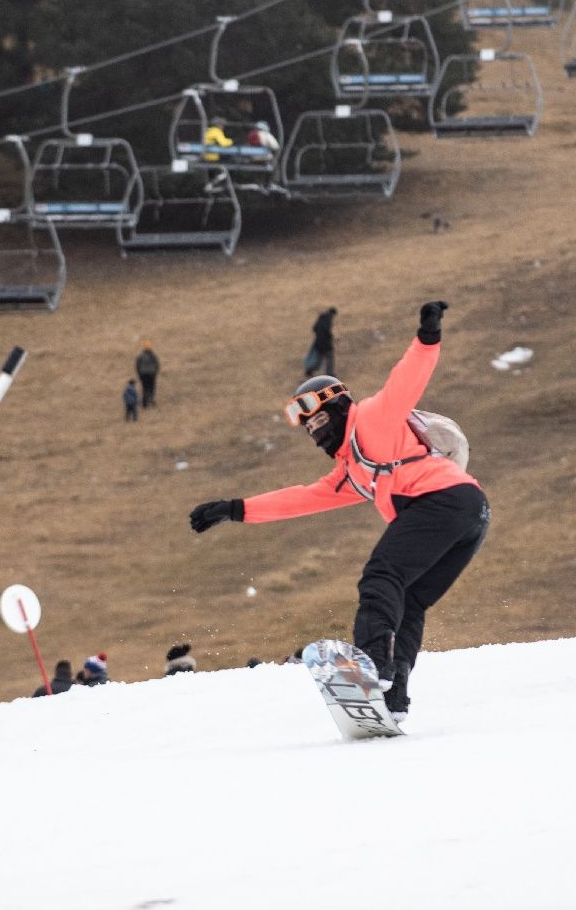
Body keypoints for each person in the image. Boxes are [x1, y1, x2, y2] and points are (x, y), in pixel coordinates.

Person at [190, 301, 489, 721]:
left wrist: (428, 336)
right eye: (308, 431)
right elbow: (298, 499)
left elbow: (407, 380)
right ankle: (394, 697)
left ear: (336, 407)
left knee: (381, 576)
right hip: (471, 514)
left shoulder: (371, 420)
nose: (316, 437)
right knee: (410, 598)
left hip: (446, 500)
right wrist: (234, 509)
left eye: (317, 424)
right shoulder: (351, 472)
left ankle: (372, 670)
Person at [307, 307, 337, 376]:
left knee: (319, 359)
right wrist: (331, 336)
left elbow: (314, 328)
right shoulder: (328, 319)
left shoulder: (321, 317)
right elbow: (326, 330)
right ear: (332, 313)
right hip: (325, 343)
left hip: (318, 343)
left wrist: (319, 335)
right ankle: (330, 373)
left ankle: (310, 370)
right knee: (330, 357)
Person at [135, 342, 160, 409]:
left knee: (144, 387)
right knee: (151, 387)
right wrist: (156, 372)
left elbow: (137, 365)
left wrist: (139, 373)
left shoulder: (140, 355)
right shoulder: (153, 355)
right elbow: (157, 364)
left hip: (143, 374)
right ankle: (151, 400)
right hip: (152, 374)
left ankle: (144, 403)